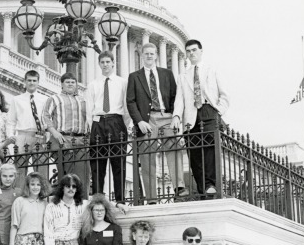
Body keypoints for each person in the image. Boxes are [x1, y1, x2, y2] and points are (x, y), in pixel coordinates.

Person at [127, 43, 187, 203]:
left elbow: (175, 97)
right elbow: (131, 102)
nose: (149, 56)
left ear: (156, 56)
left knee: (174, 148)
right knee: (147, 156)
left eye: (152, 53)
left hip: (166, 115)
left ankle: (179, 188)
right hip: (148, 119)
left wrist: (176, 117)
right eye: (146, 53)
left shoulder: (167, 74)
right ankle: (152, 196)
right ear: (141, 55)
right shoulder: (134, 76)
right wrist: (139, 121)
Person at [172, 39, 229, 197]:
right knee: (194, 152)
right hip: (191, 115)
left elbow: (224, 95)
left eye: (194, 50)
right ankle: (202, 186)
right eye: (188, 51)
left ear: (201, 51)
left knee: (210, 149)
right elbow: (180, 99)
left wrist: (218, 111)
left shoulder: (212, 70)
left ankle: (211, 184)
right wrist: (176, 115)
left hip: (208, 110)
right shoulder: (183, 76)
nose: (191, 53)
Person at [85, 51, 130, 211]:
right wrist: (92, 127)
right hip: (98, 121)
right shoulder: (93, 84)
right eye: (102, 62)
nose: (105, 65)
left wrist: (123, 124)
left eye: (107, 62)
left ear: (113, 63)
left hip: (116, 120)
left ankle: (120, 199)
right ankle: (98, 198)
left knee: (119, 162)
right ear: (99, 64)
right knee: (97, 163)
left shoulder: (122, 82)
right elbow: (89, 108)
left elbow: (126, 105)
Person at [42, 72, 89, 195]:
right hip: (63, 138)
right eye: (67, 82)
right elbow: (45, 116)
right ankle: (65, 197)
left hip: (81, 138)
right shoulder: (54, 99)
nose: (70, 84)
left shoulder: (82, 100)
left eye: (73, 82)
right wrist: (54, 132)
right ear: (62, 84)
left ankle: (82, 198)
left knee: (83, 171)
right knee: (67, 171)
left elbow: (88, 117)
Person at [43, 174, 88, 245]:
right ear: (62, 188)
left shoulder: (83, 205)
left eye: (74, 186)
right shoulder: (51, 207)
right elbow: (48, 233)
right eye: (68, 186)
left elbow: (100, 204)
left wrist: (118, 204)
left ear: (77, 189)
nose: (71, 189)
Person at [6, 70, 47, 174]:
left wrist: (47, 136)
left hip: (39, 136)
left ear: (38, 82)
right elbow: (11, 120)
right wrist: (10, 135)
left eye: (34, 80)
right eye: (29, 80)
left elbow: (48, 119)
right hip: (22, 135)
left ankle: (43, 190)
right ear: (25, 81)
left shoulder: (45, 99)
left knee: (41, 168)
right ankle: (20, 190)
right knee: (20, 168)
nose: (31, 83)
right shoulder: (17, 99)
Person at [10, 172, 49, 245]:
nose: (36, 187)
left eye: (38, 185)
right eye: (33, 184)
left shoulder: (45, 204)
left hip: (40, 242)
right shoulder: (19, 201)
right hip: (23, 241)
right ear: (28, 186)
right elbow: (14, 225)